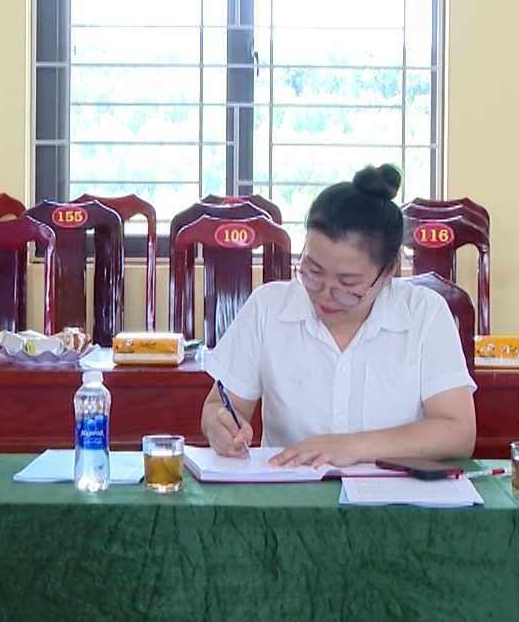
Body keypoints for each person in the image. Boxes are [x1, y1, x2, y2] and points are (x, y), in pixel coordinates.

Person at [198, 166, 477, 467]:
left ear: (389, 271)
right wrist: (219, 425)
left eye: (347, 284)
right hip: (291, 488)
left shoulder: (425, 314)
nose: (325, 294)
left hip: (393, 492)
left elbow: (459, 433)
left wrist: (355, 446)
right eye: (313, 272)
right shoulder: (268, 308)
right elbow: (219, 405)